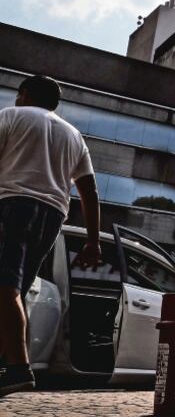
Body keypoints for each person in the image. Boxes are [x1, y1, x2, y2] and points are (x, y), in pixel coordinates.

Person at [0, 75, 101, 396]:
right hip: (53, 215)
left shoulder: (11, 116)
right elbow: (89, 191)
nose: (17, 100)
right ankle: (8, 366)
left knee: (5, 288)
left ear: (26, 95)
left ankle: (18, 368)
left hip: (12, 204)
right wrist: (93, 240)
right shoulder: (73, 135)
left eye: (19, 95)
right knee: (15, 293)